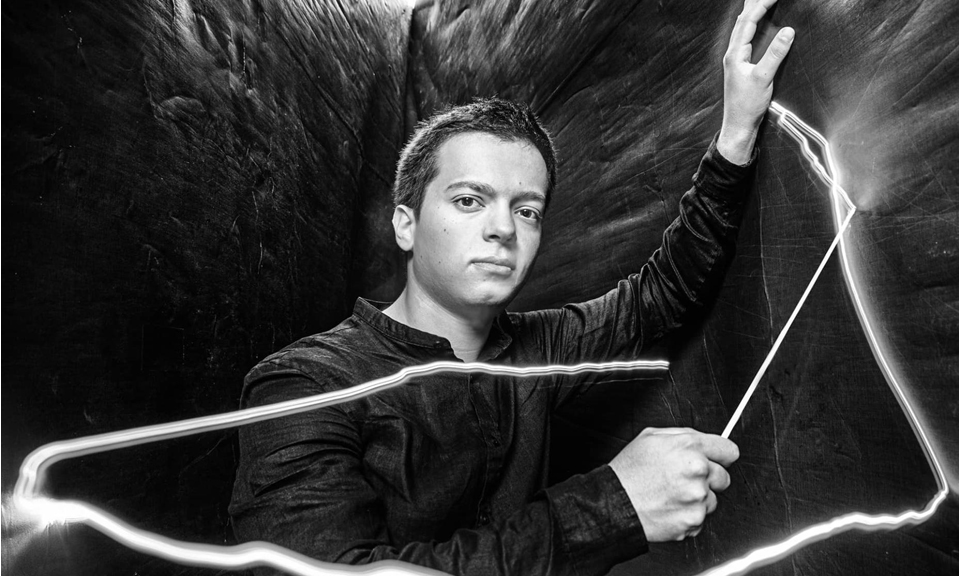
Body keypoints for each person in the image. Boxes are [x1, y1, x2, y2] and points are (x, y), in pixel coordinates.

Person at [229, 1, 794, 574]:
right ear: (405, 224)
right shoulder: (304, 386)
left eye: (526, 210)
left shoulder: (539, 350)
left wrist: (736, 135)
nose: (503, 228)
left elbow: (664, 292)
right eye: (469, 200)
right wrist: (612, 508)